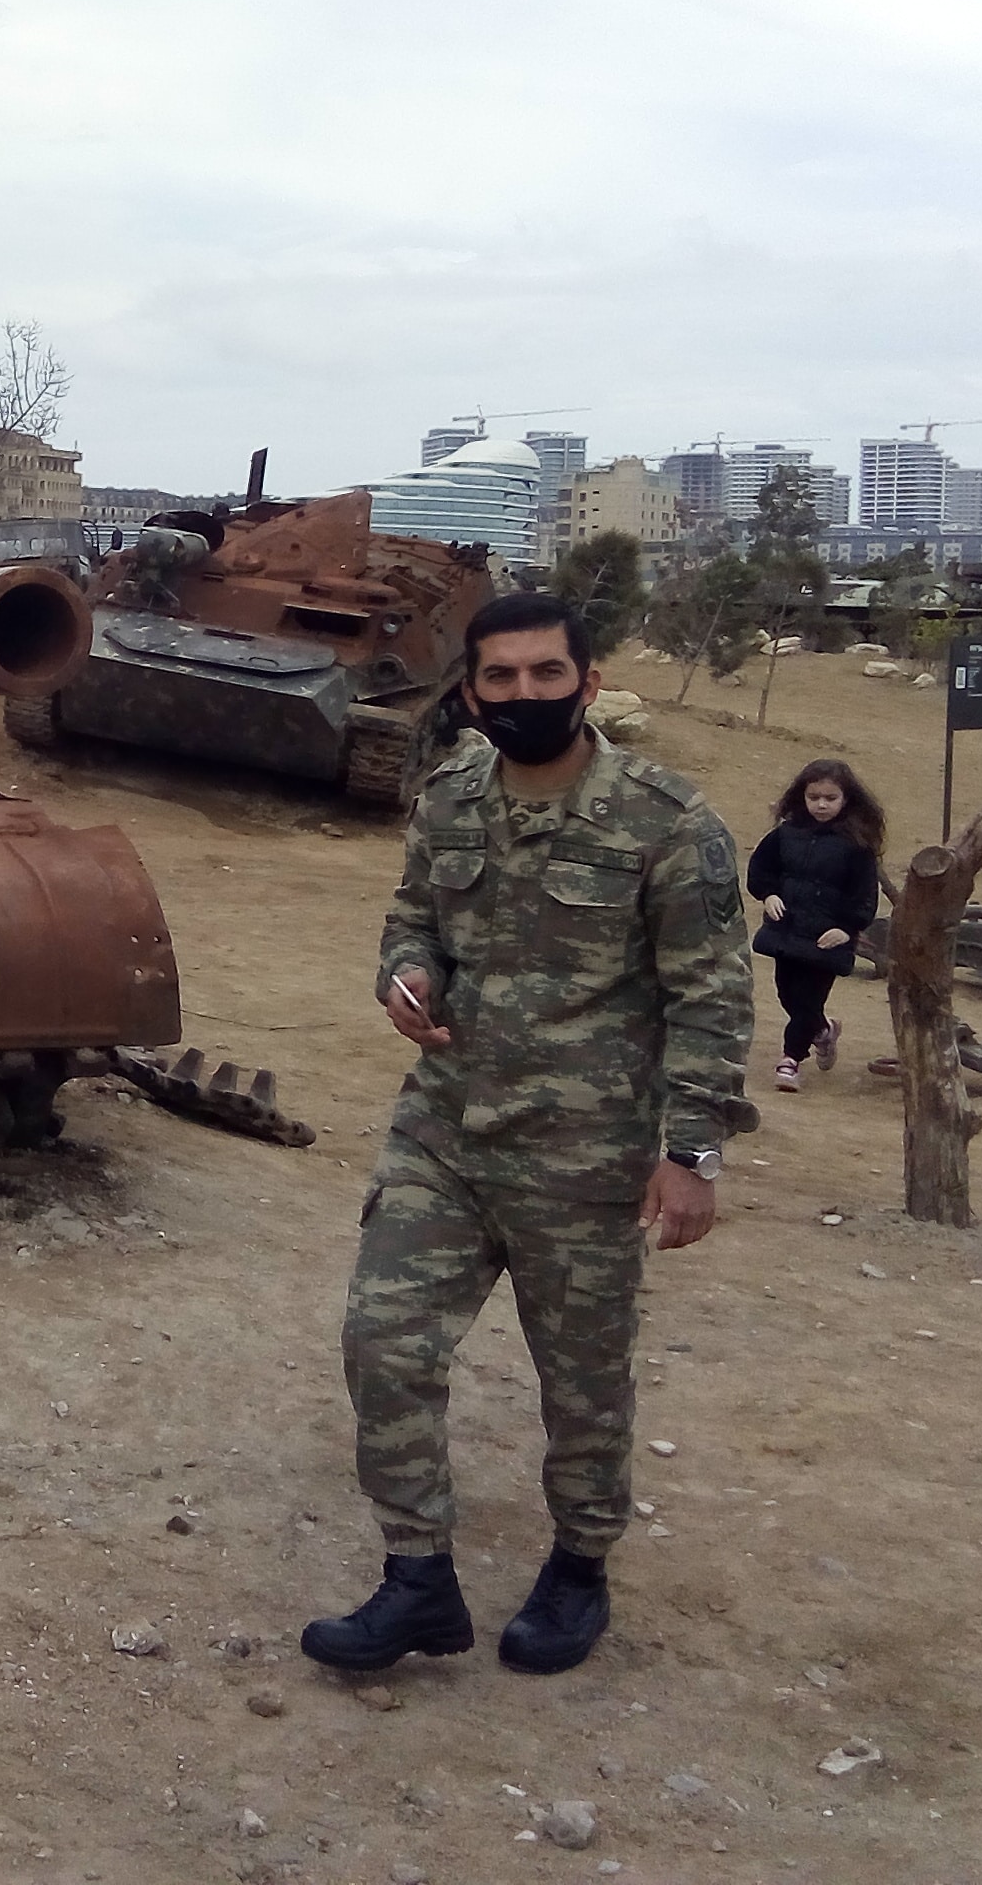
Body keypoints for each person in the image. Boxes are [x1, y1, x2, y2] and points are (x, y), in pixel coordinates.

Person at [304, 589, 752, 1680]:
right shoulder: (451, 794)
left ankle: (580, 1566)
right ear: (470, 691)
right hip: (446, 1134)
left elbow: (711, 996)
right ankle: (417, 1577)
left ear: (588, 684)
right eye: (500, 677)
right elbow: (415, 916)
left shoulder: (666, 822)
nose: (524, 693)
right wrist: (405, 975)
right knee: (384, 1340)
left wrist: (691, 1154)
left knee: (582, 1382)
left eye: (547, 674)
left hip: (586, 1158)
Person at [744, 759, 884, 1091]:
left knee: (808, 999)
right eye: (814, 797)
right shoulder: (785, 834)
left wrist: (847, 929)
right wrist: (768, 894)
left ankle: (790, 1060)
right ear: (802, 796)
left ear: (846, 799)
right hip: (787, 931)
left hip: (828, 939)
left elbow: (865, 895)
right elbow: (761, 869)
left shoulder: (857, 846)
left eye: (830, 798)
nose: (821, 805)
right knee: (787, 994)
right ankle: (823, 1031)